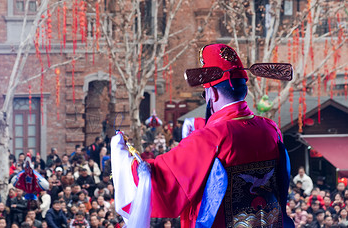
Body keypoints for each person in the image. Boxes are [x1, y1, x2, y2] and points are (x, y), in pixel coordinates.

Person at [111, 44, 293, 227]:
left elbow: (159, 180)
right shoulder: (270, 129)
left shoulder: (210, 138)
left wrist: (122, 156)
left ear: (211, 93)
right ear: (244, 90)